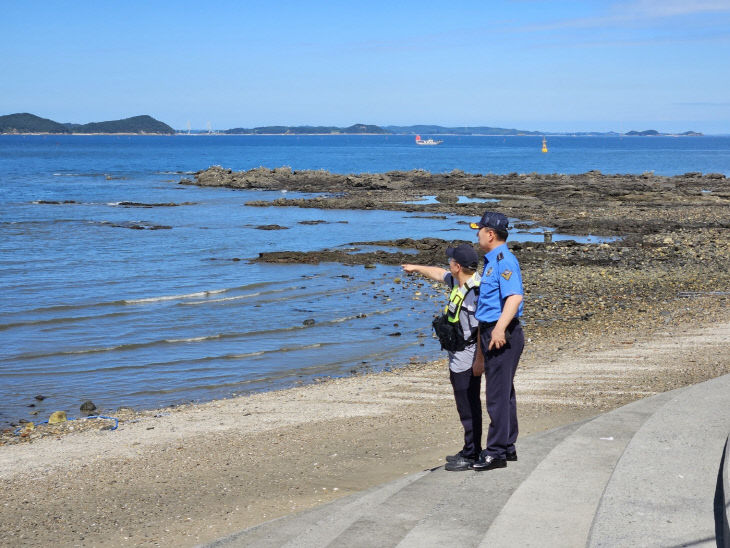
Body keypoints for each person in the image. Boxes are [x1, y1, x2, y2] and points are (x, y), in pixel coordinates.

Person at [402, 244, 482, 471]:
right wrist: (415, 268)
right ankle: (470, 447)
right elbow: (438, 273)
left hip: (467, 358)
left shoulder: (475, 292)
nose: (448, 265)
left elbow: (483, 329)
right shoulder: (461, 281)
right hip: (458, 354)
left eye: (451, 262)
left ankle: (472, 453)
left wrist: (479, 360)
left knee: (468, 406)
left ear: (457, 266)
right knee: (465, 404)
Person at [469, 211, 525, 472]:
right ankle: (507, 446)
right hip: (495, 330)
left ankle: (496, 452)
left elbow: (514, 297)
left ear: (490, 234)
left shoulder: (504, 261)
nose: (477, 234)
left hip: (501, 333)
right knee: (504, 394)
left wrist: (500, 330)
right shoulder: (493, 261)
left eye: (479, 230)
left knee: (496, 396)